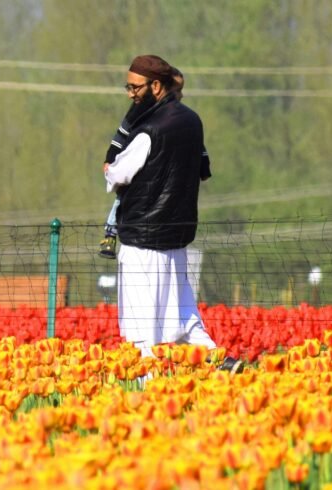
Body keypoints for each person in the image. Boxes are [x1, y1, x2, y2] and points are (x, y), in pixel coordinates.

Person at [103, 54, 241, 373]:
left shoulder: (147, 130)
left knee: (142, 331)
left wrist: (109, 167)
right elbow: (203, 170)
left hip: (142, 242)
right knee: (183, 317)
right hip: (176, 241)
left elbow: (118, 174)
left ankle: (148, 394)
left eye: (135, 87)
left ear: (155, 86)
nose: (130, 94)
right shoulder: (192, 121)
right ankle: (222, 365)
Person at [98, 67, 212, 259]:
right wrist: (110, 158)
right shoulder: (141, 115)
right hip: (130, 164)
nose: (180, 95)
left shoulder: (180, 121)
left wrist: (204, 165)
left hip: (162, 218)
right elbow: (121, 134)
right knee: (122, 198)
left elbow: (199, 147)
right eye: (177, 91)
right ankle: (110, 232)